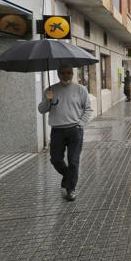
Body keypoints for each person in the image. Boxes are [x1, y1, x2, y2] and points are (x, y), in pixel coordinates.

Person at [38, 65, 93, 201]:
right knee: (55, 160)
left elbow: (88, 109)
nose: (66, 75)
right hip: (57, 131)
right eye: (62, 73)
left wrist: (80, 124)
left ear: (73, 74)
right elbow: (41, 109)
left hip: (75, 130)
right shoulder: (51, 90)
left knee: (73, 161)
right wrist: (48, 100)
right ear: (58, 74)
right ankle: (68, 176)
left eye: (68, 72)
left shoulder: (81, 90)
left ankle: (71, 189)